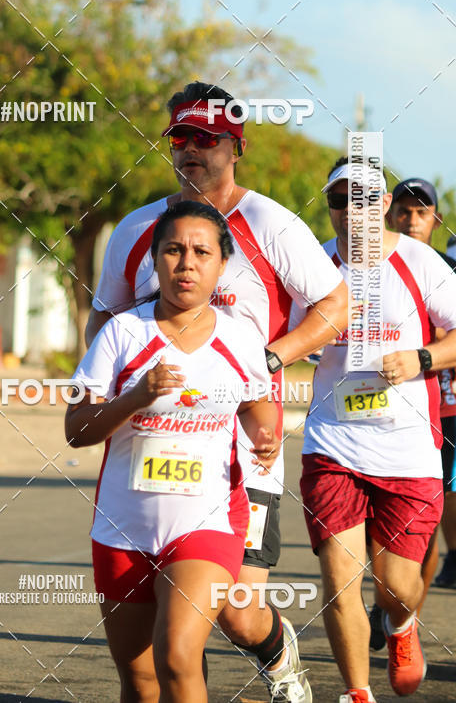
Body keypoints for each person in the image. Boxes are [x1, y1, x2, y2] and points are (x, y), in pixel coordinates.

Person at [86, 81, 349, 701]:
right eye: (181, 136)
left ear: (237, 148)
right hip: (150, 448)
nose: (192, 149)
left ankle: (276, 651)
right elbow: (103, 320)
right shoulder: (138, 229)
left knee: (235, 611)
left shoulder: (270, 224)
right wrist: (110, 386)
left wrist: (268, 360)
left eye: (208, 138)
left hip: (243, 449)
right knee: (173, 642)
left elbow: (337, 305)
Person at [67, 201, 279, 703]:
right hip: (123, 527)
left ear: (221, 265)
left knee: (178, 657)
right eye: (173, 250)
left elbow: (258, 404)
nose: (187, 263)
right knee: (140, 683)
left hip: (207, 522)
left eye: (202, 252)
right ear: (155, 260)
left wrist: (265, 435)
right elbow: (77, 429)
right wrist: (135, 397)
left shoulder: (239, 339)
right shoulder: (121, 333)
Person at [297, 157, 456, 703]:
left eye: (363, 199)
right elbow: (281, 336)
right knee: (339, 579)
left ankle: (401, 622)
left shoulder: (420, 261)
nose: (351, 211)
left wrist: (421, 359)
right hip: (333, 443)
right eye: (339, 200)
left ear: (383, 204)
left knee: (395, 587)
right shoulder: (314, 266)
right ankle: (357, 692)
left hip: (407, 448)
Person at [387, 178, 456, 595]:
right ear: (390, 215)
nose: (412, 220)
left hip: (442, 408)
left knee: (424, 519)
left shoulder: (447, 270)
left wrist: (430, 355)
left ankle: (406, 611)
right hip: (378, 408)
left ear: (436, 219)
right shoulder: (370, 267)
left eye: (421, 212)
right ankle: (389, 599)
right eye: (404, 211)